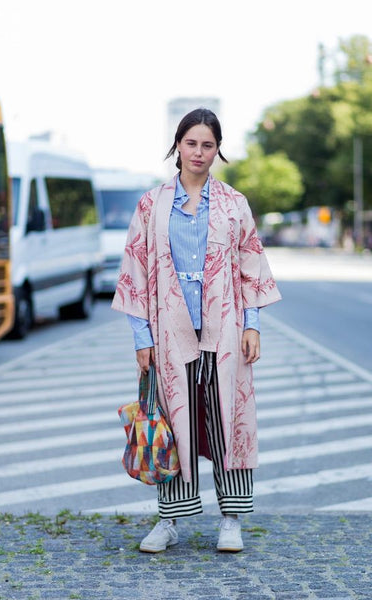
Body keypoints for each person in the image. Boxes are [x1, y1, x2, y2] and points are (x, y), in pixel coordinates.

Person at [112, 108, 281, 553]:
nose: (199, 153)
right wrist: (141, 337)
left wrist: (253, 325)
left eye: (208, 145)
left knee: (227, 421)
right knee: (172, 424)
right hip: (169, 333)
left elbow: (251, 267)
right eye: (191, 143)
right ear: (177, 146)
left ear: (217, 149)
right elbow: (135, 269)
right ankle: (169, 520)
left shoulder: (234, 204)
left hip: (224, 331)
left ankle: (231, 519)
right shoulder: (151, 205)